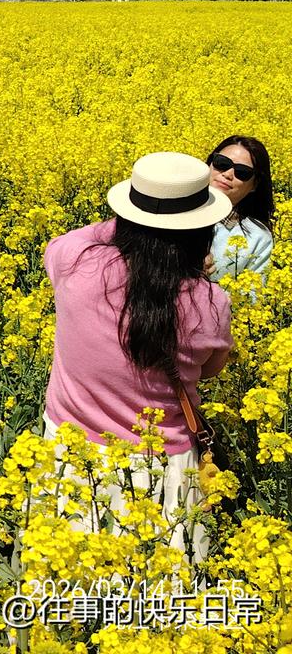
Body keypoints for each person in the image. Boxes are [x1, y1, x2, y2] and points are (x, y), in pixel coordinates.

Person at [44, 152, 233, 561]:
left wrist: (136, 218)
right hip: (160, 471)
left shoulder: (75, 263)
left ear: (126, 219)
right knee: (156, 603)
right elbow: (211, 369)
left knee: (65, 588)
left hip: (69, 456)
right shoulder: (210, 302)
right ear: (202, 232)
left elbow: (71, 238)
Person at [206, 135, 276, 281]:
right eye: (221, 163)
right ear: (210, 163)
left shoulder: (258, 238)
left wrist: (202, 286)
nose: (228, 174)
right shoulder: (168, 206)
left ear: (254, 185)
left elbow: (251, 299)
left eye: (242, 172)